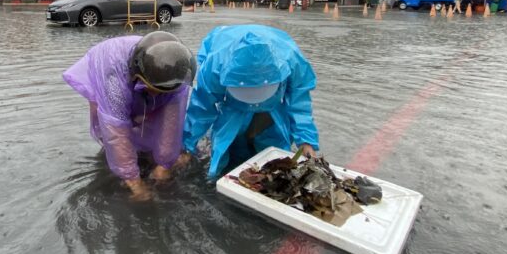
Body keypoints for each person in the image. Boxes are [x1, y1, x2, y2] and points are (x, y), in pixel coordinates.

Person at [63, 31, 196, 199]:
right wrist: (134, 181)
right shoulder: (112, 79)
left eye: (161, 91)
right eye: (153, 90)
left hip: (152, 76)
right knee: (116, 124)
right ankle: (125, 165)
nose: (155, 95)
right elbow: (116, 131)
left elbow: (171, 123)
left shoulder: (178, 76)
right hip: (109, 68)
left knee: (154, 116)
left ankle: (149, 154)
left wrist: (164, 165)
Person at [180, 25, 320, 178]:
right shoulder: (215, 64)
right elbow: (202, 107)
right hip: (234, 110)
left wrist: (306, 142)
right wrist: (187, 146)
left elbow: (299, 103)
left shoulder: (291, 58)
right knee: (228, 159)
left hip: (270, 112)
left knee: (277, 166)